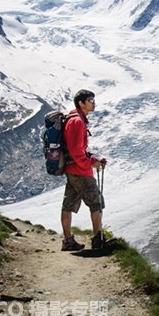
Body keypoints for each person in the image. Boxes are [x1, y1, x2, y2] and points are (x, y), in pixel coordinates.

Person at [60, 89, 107, 251]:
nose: (93, 103)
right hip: (80, 171)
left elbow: (79, 149)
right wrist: (90, 164)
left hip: (73, 169)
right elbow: (76, 151)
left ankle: (68, 241)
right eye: (90, 100)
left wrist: (94, 160)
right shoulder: (77, 122)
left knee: (68, 205)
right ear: (81, 103)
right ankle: (98, 240)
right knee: (96, 203)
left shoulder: (75, 119)